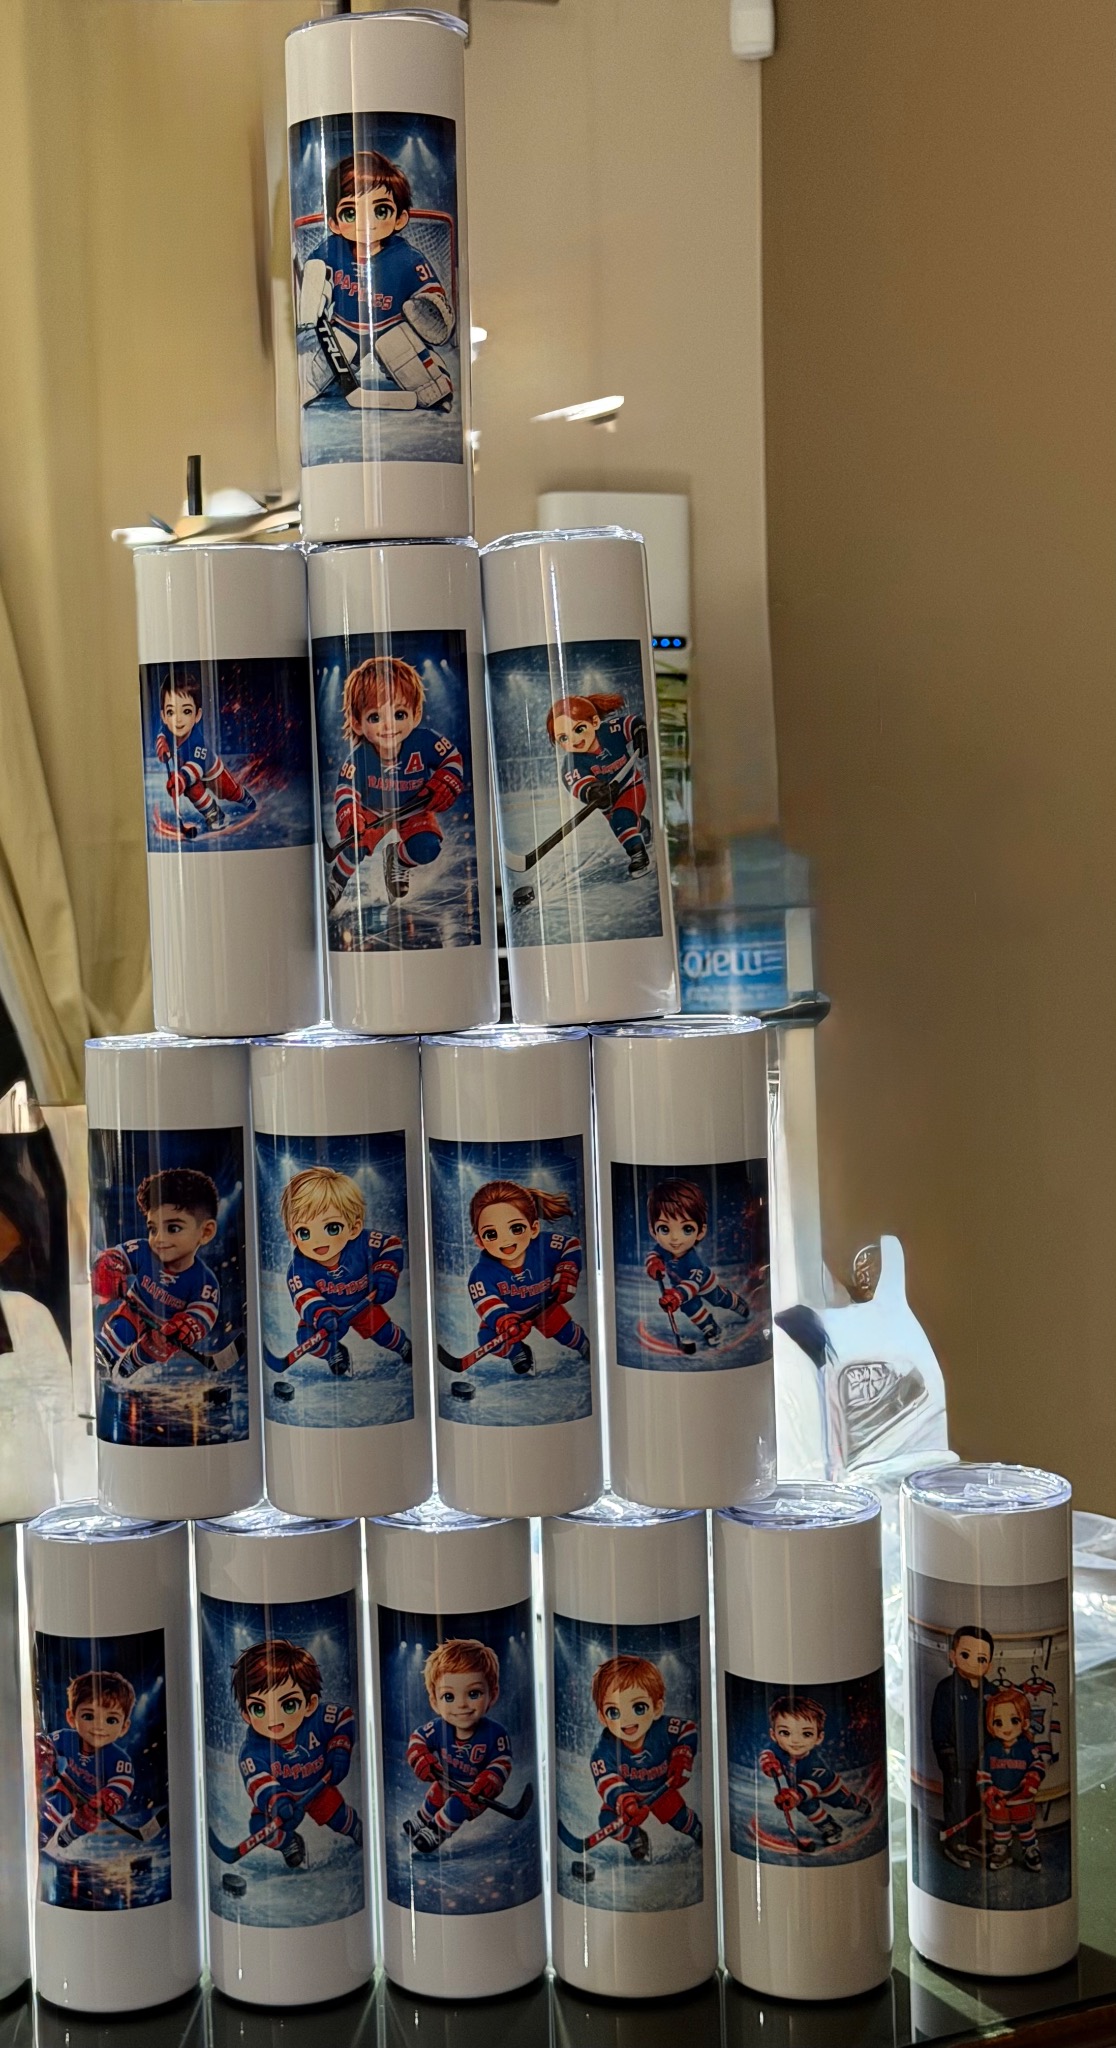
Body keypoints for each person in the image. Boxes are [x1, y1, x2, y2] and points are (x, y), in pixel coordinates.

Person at [297, 148, 454, 409]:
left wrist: (429, 308)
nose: (366, 223)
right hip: (345, 328)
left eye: (381, 211)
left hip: (389, 327)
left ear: (400, 219)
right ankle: (316, 385)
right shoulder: (331, 249)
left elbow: (430, 292)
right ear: (334, 223)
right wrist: (312, 303)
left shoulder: (406, 257)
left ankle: (435, 386)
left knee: (400, 350)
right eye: (350, 213)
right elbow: (314, 275)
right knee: (327, 359)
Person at [326, 656, 464, 912]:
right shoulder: (360, 757)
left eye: (399, 714)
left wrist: (447, 779)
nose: (389, 725)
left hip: (414, 807)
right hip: (373, 811)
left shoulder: (425, 741)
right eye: (374, 717)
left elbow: (452, 759)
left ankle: (398, 859)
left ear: (416, 714)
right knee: (355, 844)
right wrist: (350, 814)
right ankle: (338, 879)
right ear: (357, 723)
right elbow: (346, 789)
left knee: (427, 848)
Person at [232, 1638, 362, 1867]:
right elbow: (257, 1783)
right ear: (246, 1715)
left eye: (288, 1705)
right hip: (284, 1799)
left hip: (318, 1787)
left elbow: (345, 1716)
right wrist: (277, 1801)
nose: (274, 1719)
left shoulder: (318, 1718)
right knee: (259, 1826)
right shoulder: (251, 1751)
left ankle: (358, 1830)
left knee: (338, 1817)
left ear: (309, 1704)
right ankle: (288, 1842)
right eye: (259, 1708)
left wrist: (340, 1748)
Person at [92, 1168, 220, 1382]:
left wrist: (185, 1328)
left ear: (205, 1232)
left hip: (163, 1330)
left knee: (154, 1348)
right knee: (121, 1328)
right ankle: (103, 1359)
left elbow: (203, 1315)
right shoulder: (144, 1251)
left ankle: (134, 1361)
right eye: (153, 1229)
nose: (159, 1238)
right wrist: (109, 1269)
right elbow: (115, 1257)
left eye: (173, 1228)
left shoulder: (205, 1282)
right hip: (134, 1310)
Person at [280, 1165, 410, 1373]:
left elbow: (391, 1244)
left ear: (354, 1228)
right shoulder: (298, 1269)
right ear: (293, 1237)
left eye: (332, 1228)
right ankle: (334, 1351)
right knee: (307, 1338)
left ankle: (403, 1345)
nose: (318, 1241)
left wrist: (386, 1272)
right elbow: (306, 1299)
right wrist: (323, 1316)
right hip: (327, 1315)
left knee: (384, 1333)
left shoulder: (364, 1242)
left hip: (362, 1304)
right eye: (304, 1232)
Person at [462, 1179, 589, 1375]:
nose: (506, 1240)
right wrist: (505, 1321)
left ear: (534, 1228)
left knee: (565, 1332)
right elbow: (487, 1303)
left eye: (516, 1228)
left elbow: (571, 1245)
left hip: (545, 1305)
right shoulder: (481, 1275)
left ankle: (584, 1345)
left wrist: (567, 1271)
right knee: (487, 1338)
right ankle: (517, 1352)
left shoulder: (543, 1245)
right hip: (510, 1315)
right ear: (479, 1241)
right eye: (491, 1234)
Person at [589, 1653, 701, 1862]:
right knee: (607, 1820)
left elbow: (688, 1729)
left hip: (661, 1789)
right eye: (614, 1712)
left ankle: (698, 1832)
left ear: (657, 1708)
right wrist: (625, 1802)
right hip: (629, 1797)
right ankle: (635, 1838)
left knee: (680, 1819)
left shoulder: (664, 1728)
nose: (627, 1720)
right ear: (603, 1717)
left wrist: (682, 1755)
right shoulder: (603, 1751)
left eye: (638, 1708)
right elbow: (607, 1781)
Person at [404, 1639, 511, 1854]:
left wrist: (491, 1779)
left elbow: (503, 1761)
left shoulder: (495, 1733)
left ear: (493, 1694)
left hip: (472, 1793)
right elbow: (418, 1739)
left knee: (456, 1806)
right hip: (446, 1781)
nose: (461, 1705)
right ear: (434, 1702)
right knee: (436, 1795)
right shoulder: (438, 1728)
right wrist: (420, 1757)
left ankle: (436, 1831)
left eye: (473, 1693)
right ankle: (422, 1819)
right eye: (449, 1696)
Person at [546, 692, 651, 876]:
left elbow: (632, 723)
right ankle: (641, 825)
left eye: (579, 729)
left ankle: (638, 856)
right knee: (622, 823)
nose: (574, 740)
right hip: (608, 802)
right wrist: (593, 791)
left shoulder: (610, 730)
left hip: (631, 786)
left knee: (621, 819)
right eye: (563, 738)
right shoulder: (572, 763)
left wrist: (640, 732)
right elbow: (578, 785)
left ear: (594, 722)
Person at [644, 1176, 754, 1350]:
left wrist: (676, 1295)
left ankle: (734, 1302)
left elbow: (694, 1284)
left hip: (704, 1284)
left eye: (686, 1229)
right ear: (652, 1230)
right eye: (664, 1229)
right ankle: (710, 1327)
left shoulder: (691, 1260)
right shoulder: (663, 1248)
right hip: (681, 1291)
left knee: (718, 1299)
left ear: (700, 1231)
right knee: (690, 1307)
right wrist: (654, 1263)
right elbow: (654, 1253)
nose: (674, 1238)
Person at [37, 1670, 136, 1850]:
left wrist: (108, 1799)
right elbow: (45, 1744)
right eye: (89, 1716)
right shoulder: (66, 1738)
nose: (99, 1727)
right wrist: (43, 1754)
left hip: (92, 1802)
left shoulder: (119, 1759)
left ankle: (70, 1833)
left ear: (124, 1727)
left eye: (111, 1720)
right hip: (67, 1787)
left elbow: (122, 1784)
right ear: (71, 1718)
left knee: (86, 1821)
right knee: (57, 1803)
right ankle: (41, 1833)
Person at [759, 1694, 871, 1850]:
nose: (795, 1740)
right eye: (785, 1733)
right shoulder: (779, 1750)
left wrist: (794, 1796)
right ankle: (830, 1827)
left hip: (828, 1788)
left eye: (806, 1734)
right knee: (807, 1807)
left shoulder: (815, 1763)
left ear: (819, 1737)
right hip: (799, 1793)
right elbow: (768, 1752)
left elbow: (814, 1784)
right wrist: (769, 1763)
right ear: (774, 1735)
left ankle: (857, 1802)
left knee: (843, 1801)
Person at [155, 673, 254, 835]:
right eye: (171, 712)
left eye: (186, 711)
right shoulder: (167, 729)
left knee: (229, 791)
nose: (178, 719)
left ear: (197, 715)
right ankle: (214, 814)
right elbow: (161, 735)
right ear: (164, 716)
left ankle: (243, 797)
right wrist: (162, 746)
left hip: (211, 771)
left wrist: (180, 779)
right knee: (192, 790)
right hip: (188, 772)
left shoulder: (197, 741)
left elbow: (196, 767)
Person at [929, 1624, 993, 1869]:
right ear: (953, 1655)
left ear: (989, 1663)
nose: (973, 1663)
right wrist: (945, 1753)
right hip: (957, 1760)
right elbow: (939, 1723)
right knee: (957, 1802)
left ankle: (974, 1838)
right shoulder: (947, 1689)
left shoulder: (992, 1691)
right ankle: (955, 1841)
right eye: (966, 1655)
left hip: (984, 1763)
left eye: (981, 1659)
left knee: (977, 1802)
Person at [978, 1687, 1046, 1873]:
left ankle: (1030, 1849)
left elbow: (1038, 1765)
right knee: (1000, 1826)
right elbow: (983, 1773)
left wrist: (1032, 1779)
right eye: (998, 1722)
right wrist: (988, 1790)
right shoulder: (990, 1749)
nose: (1006, 1728)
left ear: (1024, 1722)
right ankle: (1002, 1851)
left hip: (1021, 1799)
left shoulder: (1027, 1747)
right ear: (991, 1725)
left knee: (1025, 1826)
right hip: (999, 1800)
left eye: (1014, 1720)